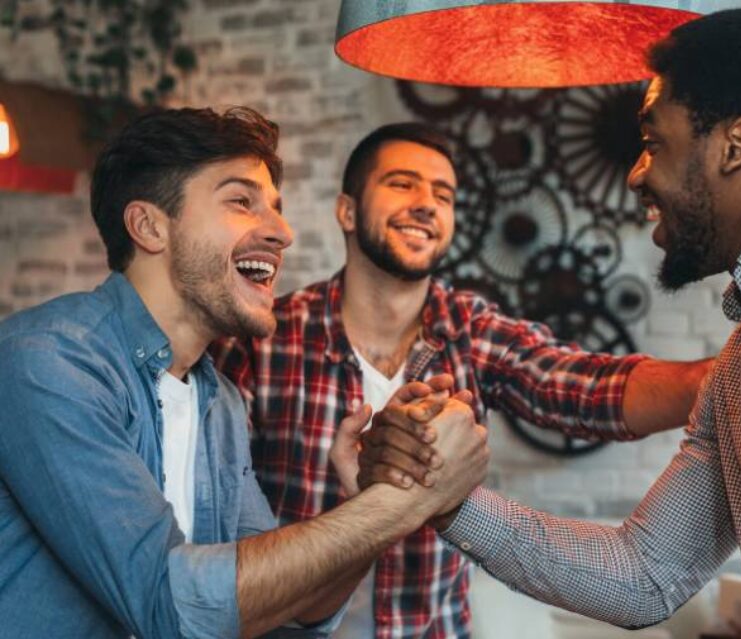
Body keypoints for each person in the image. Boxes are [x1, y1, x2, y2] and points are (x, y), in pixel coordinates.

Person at [353, 8, 741, 639]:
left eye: (654, 143)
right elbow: (644, 573)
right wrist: (448, 501)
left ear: (735, 145)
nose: (636, 174)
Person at [0, 106, 489, 639]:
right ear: (148, 227)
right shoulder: (49, 362)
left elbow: (282, 616)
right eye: (241, 201)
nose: (282, 232)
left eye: (276, 210)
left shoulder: (221, 401)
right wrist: (407, 500)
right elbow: (167, 604)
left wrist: (372, 496)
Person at [210, 122, 713, 637]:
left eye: (443, 194)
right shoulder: (266, 340)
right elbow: (218, 526)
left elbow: (586, 389)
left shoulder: (469, 328)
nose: (427, 204)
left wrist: (719, 379)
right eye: (402, 184)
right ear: (347, 210)